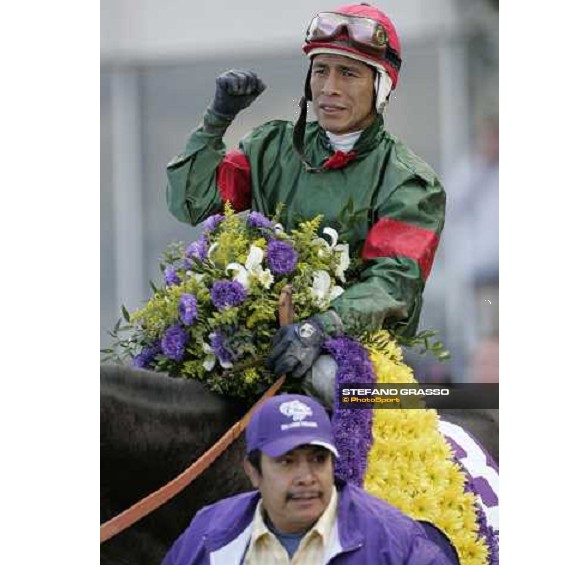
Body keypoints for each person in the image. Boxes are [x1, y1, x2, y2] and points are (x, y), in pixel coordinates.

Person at [165, 3, 445, 382]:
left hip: (354, 352)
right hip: (256, 340)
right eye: (320, 70)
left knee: (328, 382)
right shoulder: (268, 147)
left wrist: (320, 327)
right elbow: (190, 203)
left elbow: (392, 284)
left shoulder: (410, 182)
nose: (330, 88)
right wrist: (216, 121)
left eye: (348, 73)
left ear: (381, 87)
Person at [132, 394, 467, 565]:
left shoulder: (398, 542)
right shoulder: (209, 534)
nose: (306, 477)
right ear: (253, 471)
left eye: (318, 459)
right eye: (287, 461)